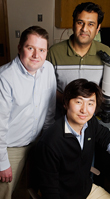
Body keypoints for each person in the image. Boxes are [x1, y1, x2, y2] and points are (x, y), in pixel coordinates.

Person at [35, 78, 110, 199]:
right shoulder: (50, 141)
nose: (84, 110)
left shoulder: (90, 123)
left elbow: (109, 138)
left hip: (86, 190)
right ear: (66, 103)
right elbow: (49, 191)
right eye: (78, 102)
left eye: (90, 103)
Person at [0, 26, 56, 199]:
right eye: (30, 48)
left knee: (28, 190)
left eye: (41, 50)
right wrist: (2, 162)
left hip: (37, 142)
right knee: (5, 192)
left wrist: (45, 140)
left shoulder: (48, 69)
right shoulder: (5, 77)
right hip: (11, 148)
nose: (36, 55)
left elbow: (50, 108)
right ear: (19, 47)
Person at [47, 2, 110, 108]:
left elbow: (109, 89)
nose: (84, 29)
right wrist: (70, 103)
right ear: (73, 24)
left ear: (97, 29)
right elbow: (46, 87)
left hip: (92, 116)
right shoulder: (54, 52)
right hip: (61, 115)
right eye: (80, 22)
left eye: (91, 24)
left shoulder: (107, 52)